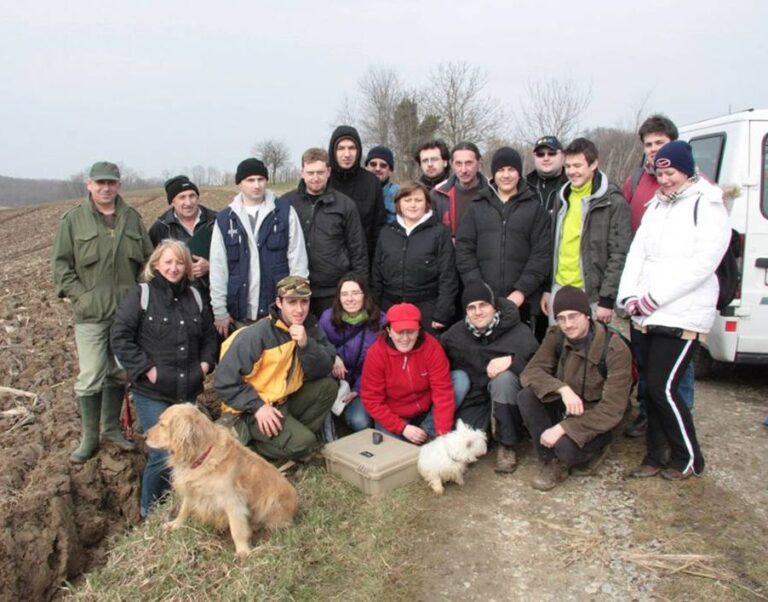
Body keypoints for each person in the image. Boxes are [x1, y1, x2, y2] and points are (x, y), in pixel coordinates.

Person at [618, 141, 730, 481]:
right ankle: (655, 456)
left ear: (687, 170)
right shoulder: (657, 206)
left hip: (681, 313)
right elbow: (637, 255)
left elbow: (703, 263)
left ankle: (689, 457)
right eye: (660, 173)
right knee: (650, 388)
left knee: (664, 388)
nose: (665, 179)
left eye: (671, 173)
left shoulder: (708, 205)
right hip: (647, 314)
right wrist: (629, 297)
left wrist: (655, 297)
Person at [52, 161, 153, 464]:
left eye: (111, 183)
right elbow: (61, 265)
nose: (106, 188)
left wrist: (140, 297)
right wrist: (81, 297)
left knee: (118, 372)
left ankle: (111, 429)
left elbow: (148, 262)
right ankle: (88, 437)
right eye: (100, 183)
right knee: (92, 373)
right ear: (89, 185)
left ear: (119, 185)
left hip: (125, 313)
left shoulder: (132, 219)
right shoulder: (73, 221)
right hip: (91, 314)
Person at [110, 240, 218, 517]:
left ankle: (182, 505)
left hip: (187, 389)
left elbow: (209, 336)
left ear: (187, 267)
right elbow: (120, 338)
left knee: (188, 451)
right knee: (161, 454)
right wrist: (148, 369)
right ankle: (150, 512)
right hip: (154, 392)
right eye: (168, 262)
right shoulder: (141, 295)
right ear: (156, 263)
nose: (174, 268)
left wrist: (205, 365)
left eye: (179, 262)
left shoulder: (194, 296)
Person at [621, 115, 694, 438]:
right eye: (648, 145)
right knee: (644, 355)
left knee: (677, 363)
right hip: (641, 284)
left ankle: (678, 419)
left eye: (659, 144)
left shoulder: (691, 186)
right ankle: (647, 415)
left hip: (676, 290)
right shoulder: (635, 182)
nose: (653, 150)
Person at [519, 286, 633, 491]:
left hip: (598, 416)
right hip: (568, 405)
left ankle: (587, 451)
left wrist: (563, 428)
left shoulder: (614, 349)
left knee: (565, 447)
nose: (568, 324)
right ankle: (551, 461)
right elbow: (531, 372)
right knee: (526, 396)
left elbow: (612, 409)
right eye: (561, 318)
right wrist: (562, 389)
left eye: (573, 316)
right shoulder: (556, 335)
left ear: (587, 315)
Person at [214, 276, 337, 461]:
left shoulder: (309, 326)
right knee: (306, 443)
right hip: (250, 410)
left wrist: (306, 344)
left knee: (328, 387)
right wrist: (258, 407)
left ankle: (285, 440)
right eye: (292, 302)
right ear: (279, 303)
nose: (299, 309)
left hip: (284, 399)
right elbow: (224, 382)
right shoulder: (257, 334)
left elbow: (326, 365)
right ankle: (250, 446)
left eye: (304, 302)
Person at [442, 281, 539, 473]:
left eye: (483, 305)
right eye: (471, 307)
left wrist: (512, 361)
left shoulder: (518, 331)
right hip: (477, 399)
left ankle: (507, 445)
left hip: (508, 398)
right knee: (462, 445)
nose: (478, 312)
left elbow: (540, 363)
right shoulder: (456, 334)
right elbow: (435, 354)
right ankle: (490, 428)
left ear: (493, 306)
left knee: (503, 380)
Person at [209, 158, 308, 337]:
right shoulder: (225, 219)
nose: (256, 185)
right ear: (240, 183)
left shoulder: (284, 212)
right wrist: (220, 311)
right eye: (250, 180)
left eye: (260, 179)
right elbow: (218, 268)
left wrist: (295, 303)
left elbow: (298, 260)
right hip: (240, 313)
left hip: (277, 311)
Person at [455, 146, 552, 328]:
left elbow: (541, 255)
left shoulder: (535, 210)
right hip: (482, 302)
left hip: (522, 302)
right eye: (500, 170)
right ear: (493, 174)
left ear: (519, 173)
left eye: (511, 170)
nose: (506, 175)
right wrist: (478, 288)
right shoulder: (477, 207)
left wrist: (521, 291)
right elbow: (463, 249)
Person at [541, 138, 631, 325]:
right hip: (559, 287)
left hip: (590, 293)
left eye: (578, 165)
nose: (572, 172)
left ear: (594, 164)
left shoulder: (612, 202)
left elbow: (618, 253)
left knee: (588, 350)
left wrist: (606, 299)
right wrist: (548, 288)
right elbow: (553, 246)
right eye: (568, 166)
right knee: (558, 347)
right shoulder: (562, 197)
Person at [280, 148, 368, 315]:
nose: (315, 178)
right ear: (302, 172)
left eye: (320, 172)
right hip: (295, 289)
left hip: (333, 290)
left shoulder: (345, 205)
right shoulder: (286, 203)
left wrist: (360, 289)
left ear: (328, 172)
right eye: (310, 172)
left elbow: (358, 251)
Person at [361, 303, 455, 444]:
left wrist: (442, 434)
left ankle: (428, 432)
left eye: (410, 332)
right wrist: (402, 428)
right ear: (389, 331)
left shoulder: (432, 346)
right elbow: (372, 400)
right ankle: (417, 438)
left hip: (426, 407)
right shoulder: (376, 353)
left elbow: (443, 391)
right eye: (399, 332)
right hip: (396, 414)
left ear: (419, 330)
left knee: (460, 380)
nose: (405, 338)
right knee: (392, 449)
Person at [371, 181, 458, 334]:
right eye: (407, 200)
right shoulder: (386, 233)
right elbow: (377, 273)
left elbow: (448, 276)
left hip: (427, 309)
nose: (413, 205)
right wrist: (375, 308)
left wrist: (442, 313)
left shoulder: (439, 233)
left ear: (426, 204)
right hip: (390, 307)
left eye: (418, 200)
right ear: (398, 204)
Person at [318, 274, 386, 431]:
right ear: (339, 298)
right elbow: (318, 345)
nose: (350, 299)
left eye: (356, 293)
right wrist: (333, 356)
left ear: (365, 295)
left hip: (366, 383)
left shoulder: (380, 322)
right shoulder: (327, 318)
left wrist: (357, 389)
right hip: (336, 381)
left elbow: (382, 365)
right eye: (345, 294)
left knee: (359, 421)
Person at [148, 175, 217, 298]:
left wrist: (211, 266)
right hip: (179, 298)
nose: (188, 202)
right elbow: (151, 266)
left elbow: (235, 258)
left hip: (215, 295)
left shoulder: (216, 221)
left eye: (192, 196)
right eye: (182, 197)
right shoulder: (161, 227)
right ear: (172, 202)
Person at [328, 126, 387, 258]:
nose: (347, 154)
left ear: (359, 150)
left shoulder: (371, 182)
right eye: (341, 148)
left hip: (363, 261)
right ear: (333, 151)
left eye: (352, 148)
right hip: (328, 264)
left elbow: (378, 228)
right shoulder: (324, 181)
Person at [430, 142, 494, 237]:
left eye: (469, 163)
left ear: (479, 163)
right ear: (452, 164)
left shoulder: (493, 192)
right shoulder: (438, 194)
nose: (463, 170)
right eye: (458, 164)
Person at [525, 135, 568, 221]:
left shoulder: (571, 186)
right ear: (534, 157)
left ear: (562, 156)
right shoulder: (523, 186)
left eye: (552, 153)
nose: (546, 158)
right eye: (540, 154)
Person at [365, 145, 400, 224]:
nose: (377, 169)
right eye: (373, 164)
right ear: (366, 167)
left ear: (390, 171)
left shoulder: (399, 194)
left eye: (383, 165)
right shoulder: (357, 192)